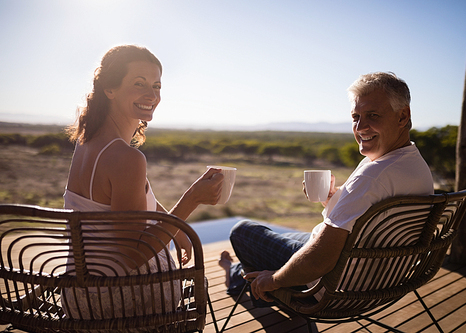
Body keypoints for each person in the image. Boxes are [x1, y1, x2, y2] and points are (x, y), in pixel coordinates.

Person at [219, 71, 434, 304]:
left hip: (331, 285)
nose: (361, 127)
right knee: (278, 238)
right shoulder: (414, 165)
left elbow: (320, 260)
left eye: (373, 115)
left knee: (243, 232)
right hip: (378, 278)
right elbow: (363, 216)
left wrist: (273, 281)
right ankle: (235, 271)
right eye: (355, 117)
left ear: (403, 116)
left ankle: (237, 276)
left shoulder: (375, 175)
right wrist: (334, 199)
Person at [63, 45, 224, 319]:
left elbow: (132, 201)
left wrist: (177, 230)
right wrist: (192, 198)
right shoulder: (126, 157)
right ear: (109, 89)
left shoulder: (87, 141)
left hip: (79, 294)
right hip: (122, 300)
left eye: (157, 85)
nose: (152, 95)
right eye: (139, 84)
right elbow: (133, 256)